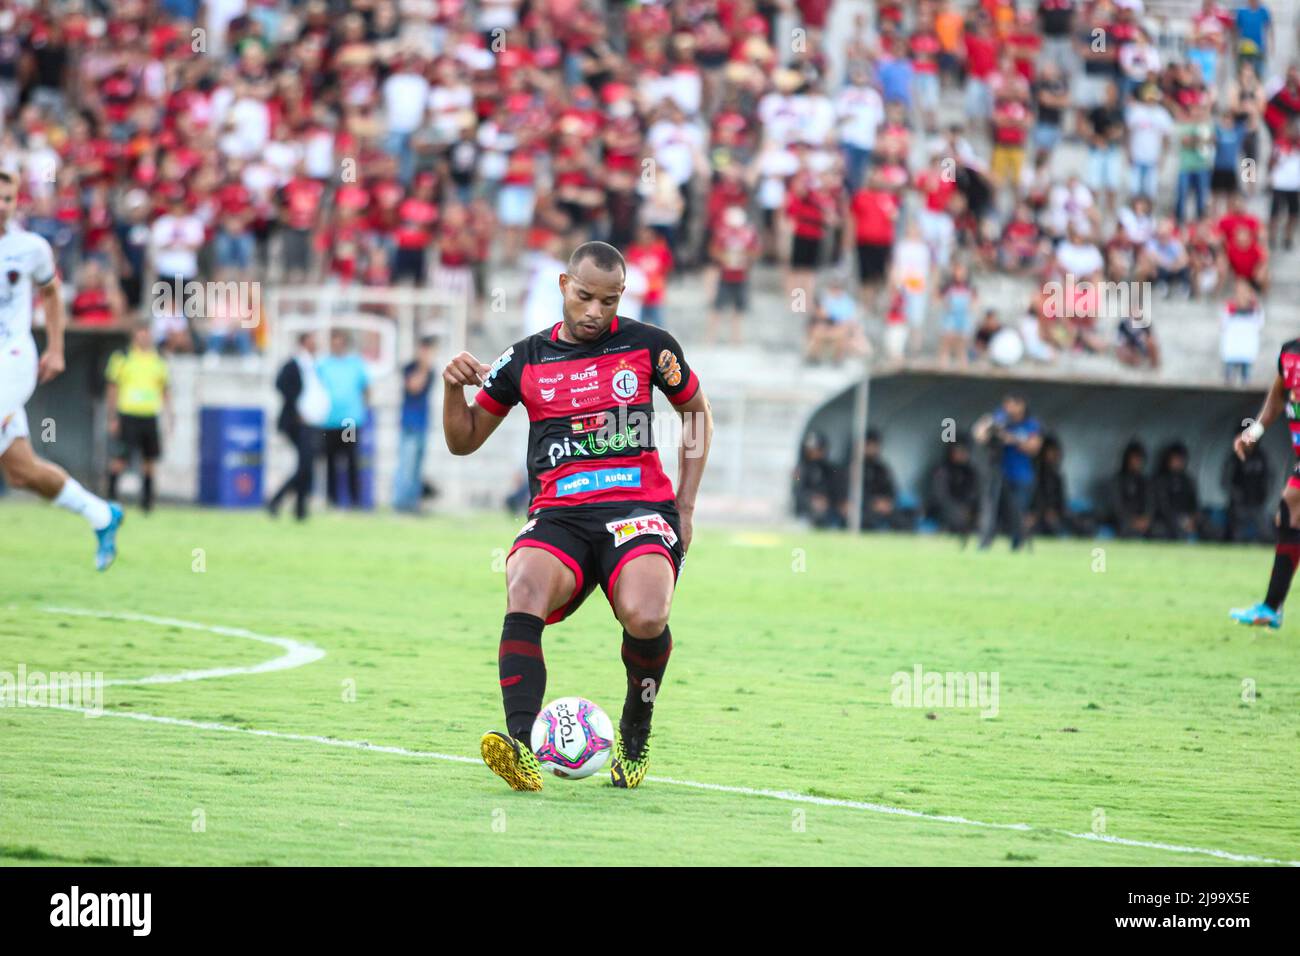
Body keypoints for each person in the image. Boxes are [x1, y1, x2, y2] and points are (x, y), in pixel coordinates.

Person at [442, 241, 712, 791]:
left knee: (646, 615)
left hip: (637, 508)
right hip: (559, 515)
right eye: (585, 296)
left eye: (609, 301)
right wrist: (451, 389)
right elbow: (463, 439)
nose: (595, 312)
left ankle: (635, 731)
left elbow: (696, 414)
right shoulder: (523, 360)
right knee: (523, 585)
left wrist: (685, 505)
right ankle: (520, 747)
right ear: (564, 286)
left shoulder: (651, 346)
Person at [0, 169, 122, 569]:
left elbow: (51, 294)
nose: (2, 206)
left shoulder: (30, 247)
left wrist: (56, 349)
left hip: (15, 357)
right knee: (21, 472)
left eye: (9, 199)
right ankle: (102, 514)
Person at [1228, 332, 1300, 627]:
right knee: (1289, 517)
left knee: (1290, 511)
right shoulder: (1290, 353)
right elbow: (1276, 399)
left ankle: (1272, 607)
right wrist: (1253, 433)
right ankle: (1271, 608)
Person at [105, 324, 172, 513]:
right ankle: (111, 497)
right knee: (120, 458)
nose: (144, 338)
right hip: (128, 414)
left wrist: (170, 415)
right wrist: (112, 416)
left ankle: (147, 503)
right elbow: (112, 387)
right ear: (134, 336)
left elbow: (165, 389)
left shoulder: (159, 360)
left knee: (149, 460)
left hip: (149, 415)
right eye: (140, 335)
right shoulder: (122, 358)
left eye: (147, 334)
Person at [268, 331, 327, 520]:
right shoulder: (294, 364)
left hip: (313, 421)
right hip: (298, 422)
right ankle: (278, 500)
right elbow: (280, 385)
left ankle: (300, 508)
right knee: (306, 464)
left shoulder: (315, 366)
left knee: (307, 465)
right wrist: (296, 410)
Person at [973, 394, 1042, 551]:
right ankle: (985, 542)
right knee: (990, 509)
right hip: (997, 473)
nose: (1008, 408)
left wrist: (1012, 439)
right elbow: (979, 436)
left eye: (1012, 404)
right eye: (1006, 404)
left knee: (1017, 511)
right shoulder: (1000, 418)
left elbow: (1034, 448)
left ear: (1022, 405)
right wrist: (988, 426)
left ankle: (1018, 544)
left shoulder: (1030, 424)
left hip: (1021, 476)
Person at [316, 330, 371, 508]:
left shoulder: (355, 364)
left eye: (340, 342)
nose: (337, 346)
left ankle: (354, 500)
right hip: (330, 420)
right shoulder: (323, 365)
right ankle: (332, 500)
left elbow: (366, 389)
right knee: (331, 461)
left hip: (349, 421)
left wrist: (361, 409)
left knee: (351, 460)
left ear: (345, 344)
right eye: (334, 342)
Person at [393, 336, 435, 513]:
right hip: (409, 424)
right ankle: (401, 503)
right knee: (406, 465)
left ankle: (413, 503)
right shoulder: (410, 368)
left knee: (417, 466)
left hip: (422, 423)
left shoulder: (431, 371)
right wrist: (424, 366)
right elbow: (414, 386)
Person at [1222, 428, 1271, 543]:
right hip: (1239, 504)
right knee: (1237, 534)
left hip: (1258, 502)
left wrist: (1265, 494)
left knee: (1266, 533)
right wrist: (1236, 495)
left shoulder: (1262, 457)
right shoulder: (1234, 458)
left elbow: (1269, 478)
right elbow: (1226, 480)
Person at [927, 438, 978, 542]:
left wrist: (968, 508)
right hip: (944, 510)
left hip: (966, 510)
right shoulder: (942, 470)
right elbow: (939, 496)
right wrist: (958, 509)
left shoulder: (970, 471)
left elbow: (974, 494)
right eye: (959, 451)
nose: (962, 454)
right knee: (956, 517)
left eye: (964, 451)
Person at [793, 430, 846, 529]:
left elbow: (836, 489)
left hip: (829, 509)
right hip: (807, 512)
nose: (815, 452)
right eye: (811, 449)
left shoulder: (830, 469)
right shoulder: (799, 470)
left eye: (818, 449)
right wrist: (812, 500)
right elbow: (797, 491)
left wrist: (838, 502)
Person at [1151, 442, 1202, 541]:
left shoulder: (1188, 481)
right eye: (1175, 459)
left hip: (1188, 518)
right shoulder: (1160, 480)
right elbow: (1163, 507)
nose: (1178, 462)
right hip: (1167, 520)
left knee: (1208, 527)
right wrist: (1181, 521)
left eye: (1180, 459)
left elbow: (1195, 504)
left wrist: (1193, 519)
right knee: (1161, 530)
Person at [1109, 440, 1153, 539]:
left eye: (1139, 459)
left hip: (1142, 521)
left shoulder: (1145, 481)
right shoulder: (1117, 480)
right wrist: (1132, 520)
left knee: (1158, 529)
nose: (1137, 462)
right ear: (1127, 459)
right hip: (1124, 520)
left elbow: (1150, 503)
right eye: (1134, 458)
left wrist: (1145, 518)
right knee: (1124, 528)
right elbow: (1116, 506)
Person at [858, 429, 899, 531]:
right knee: (866, 519)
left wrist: (887, 502)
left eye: (875, 445)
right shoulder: (854, 467)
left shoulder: (881, 468)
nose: (873, 448)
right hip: (864, 508)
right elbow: (851, 492)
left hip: (884, 508)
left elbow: (892, 490)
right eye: (869, 445)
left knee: (902, 518)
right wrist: (873, 503)